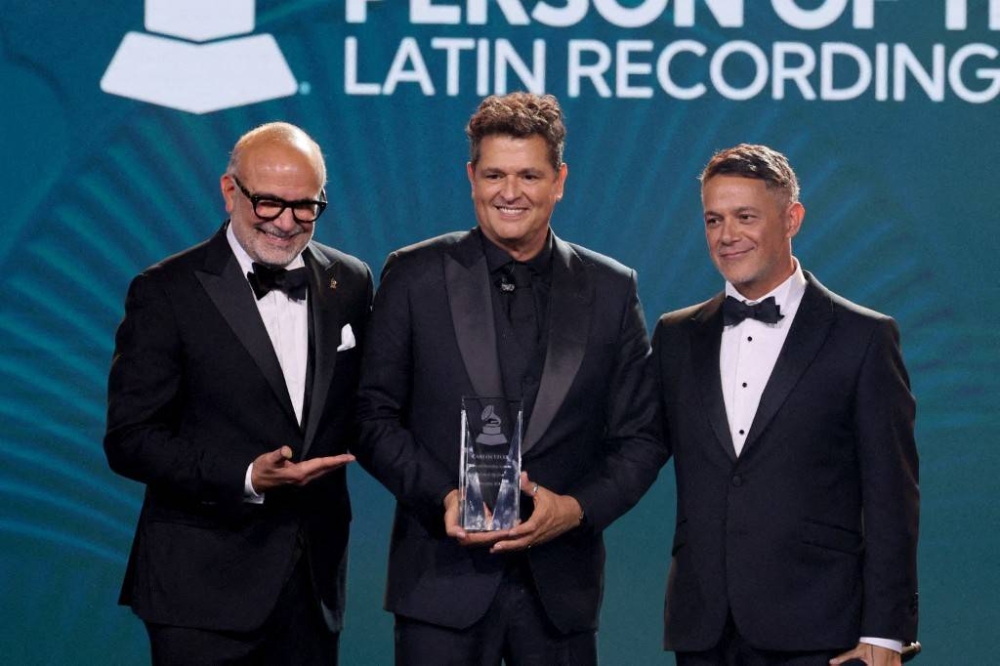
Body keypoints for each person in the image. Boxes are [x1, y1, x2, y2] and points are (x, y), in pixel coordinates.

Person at [353, 92, 666, 665]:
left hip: (559, 595)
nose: (510, 192)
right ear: (471, 177)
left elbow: (641, 437)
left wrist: (573, 509)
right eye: (494, 174)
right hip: (441, 585)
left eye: (528, 175)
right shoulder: (415, 275)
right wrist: (442, 495)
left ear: (559, 180)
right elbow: (372, 416)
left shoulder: (611, 289)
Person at [104, 121, 372, 665]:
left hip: (312, 585)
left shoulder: (352, 281)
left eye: (305, 207)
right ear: (231, 191)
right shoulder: (165, 291)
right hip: (200, 589)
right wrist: (246, 475)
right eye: (269, 202)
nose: (286, 223)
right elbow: (130, 439)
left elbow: (370, 409)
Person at [650, 144, 919, 666]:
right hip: (704, 628)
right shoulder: (676, 336)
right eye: (713, 219)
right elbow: (633, 449)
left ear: (791, 218)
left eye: (745, 217)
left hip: (822, 630)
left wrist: (887, 631)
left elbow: (892, 495)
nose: (727, 235)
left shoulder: (863, 337)